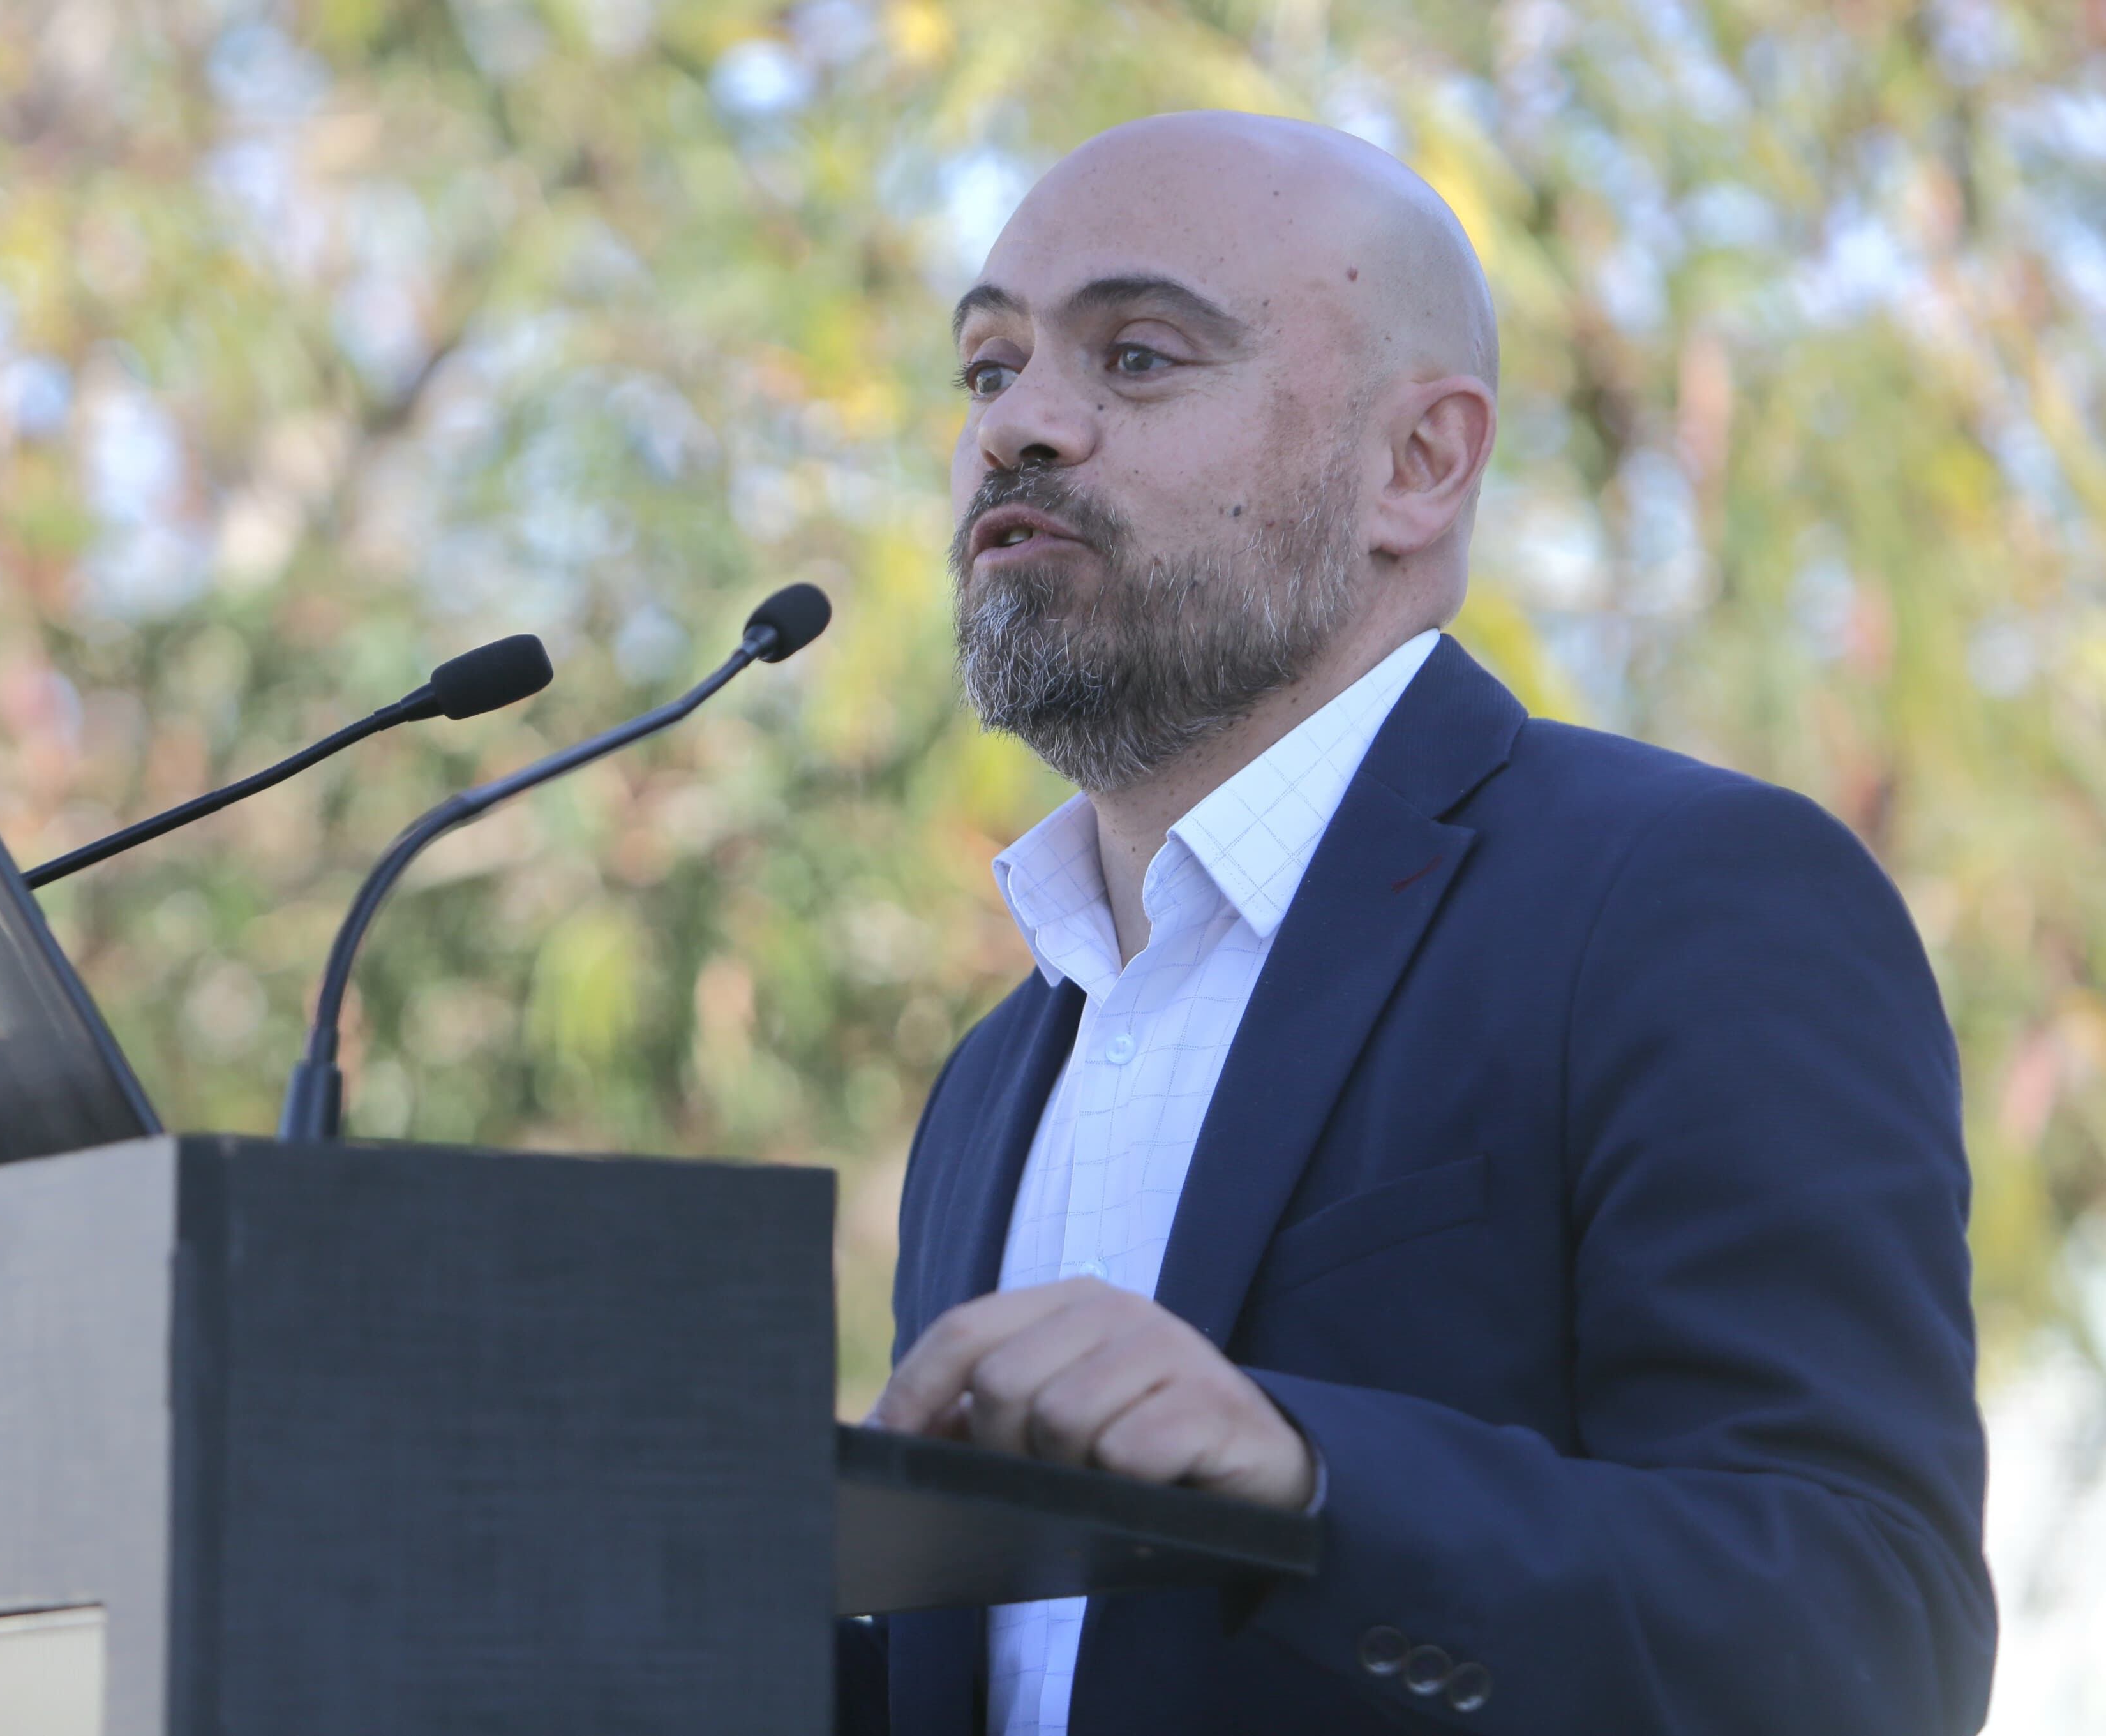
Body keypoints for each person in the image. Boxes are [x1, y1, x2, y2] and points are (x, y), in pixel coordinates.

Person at [841, 112, 1994, 1735]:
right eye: (985, 368)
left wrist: (1313, 1478)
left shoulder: (1686, 899)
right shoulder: (992, 1076)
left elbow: (1864, 1636)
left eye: (1140, 355)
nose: (1019, 426)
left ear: (1419, 463)